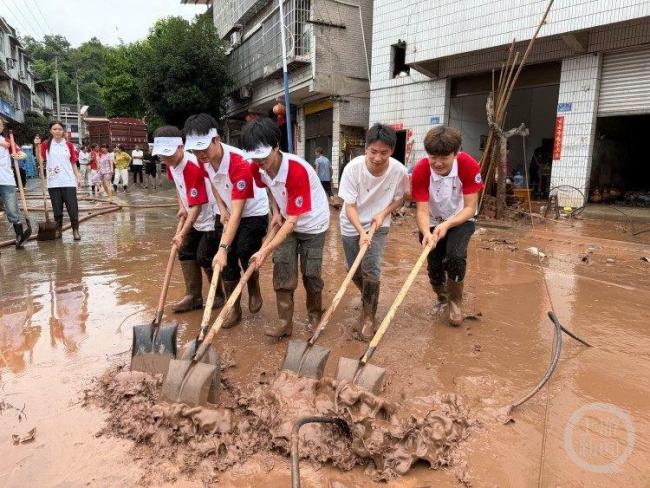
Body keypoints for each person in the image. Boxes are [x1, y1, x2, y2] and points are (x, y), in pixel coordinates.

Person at [245, 117, 330, 337]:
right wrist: (275, 211)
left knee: (311, 273)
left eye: (263, 156)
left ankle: (314, 315)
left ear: (276, 147)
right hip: (286, 218)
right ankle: (284, 323)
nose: (259, 162)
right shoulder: (257, 167)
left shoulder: (296, 170)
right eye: (254, 157)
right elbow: (269, 187)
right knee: (282, 268)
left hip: (313, 224)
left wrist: (264, 250)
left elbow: (293, 221)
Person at [184, 113, 270, 328]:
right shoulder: (202, 160)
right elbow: (213, 182)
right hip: (227, 207)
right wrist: (222, 208)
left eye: (204, 148)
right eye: (195, 150)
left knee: (243, 250)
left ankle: (253, 285)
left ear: (217, 139)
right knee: (226, 261)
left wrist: (223, 247)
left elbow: (238, 212)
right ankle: (234, 308)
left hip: (252, 211)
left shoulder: (240, 163)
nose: (200, 154)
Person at [338, 124, 409, 340]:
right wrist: (361, 231)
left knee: (372, 268)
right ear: (366, 148)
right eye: (373, 152)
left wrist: (383, 213)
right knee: (352, 268)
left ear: (392, 151)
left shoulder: (399, 171)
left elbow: (400, 198)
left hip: (379, 224)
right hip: (351, 224)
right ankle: (367, 296)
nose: (378, 158)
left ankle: (369, 316)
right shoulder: (353, 169)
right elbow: (350, 206)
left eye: (384, 153)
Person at [411, 126, 484, 327]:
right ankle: (442, 296)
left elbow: (470, 207)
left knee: (455, 257)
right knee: (434, 265)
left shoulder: (468, 165)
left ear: (456, 153)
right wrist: (426, 232)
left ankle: (455, 302)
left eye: (444, 157)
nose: (438, 163)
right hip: (432, 221)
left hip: (461, 219)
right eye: (433, 157)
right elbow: (422, 210)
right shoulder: (421, 170)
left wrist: (448, 224)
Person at [152, 125, 220, 313]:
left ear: (181, 147)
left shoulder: (192, 166)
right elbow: (178, 185)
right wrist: (182, 205)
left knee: (205, 255)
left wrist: (182, 232)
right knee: (185, 250)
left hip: (210, 216)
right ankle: (193, 296)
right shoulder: (171, 164)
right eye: (162, 156)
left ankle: (218, 294)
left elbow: (197, 206)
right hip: (192, 214)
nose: (166, 159)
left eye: (169, 155)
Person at [34, 121, 82, 241]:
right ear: (51, 131)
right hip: (53, 182)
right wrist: (36, 146)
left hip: (68, 181)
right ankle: (58, 231)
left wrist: (78, 176)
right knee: (57, 210)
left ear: (63, 131)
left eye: (60, 129)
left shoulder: (68, 145)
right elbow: (40, 159)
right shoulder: (46, 144)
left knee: (73, 208)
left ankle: (75, 230)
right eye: (55, 129)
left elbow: (73, 162)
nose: (57, 131)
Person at [0, 118, 29, 248]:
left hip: (6, 180)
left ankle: (19, 235)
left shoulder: (8, 141)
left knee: (12, 209)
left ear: (2, 128)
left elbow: (22, 153)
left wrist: (21, 155)